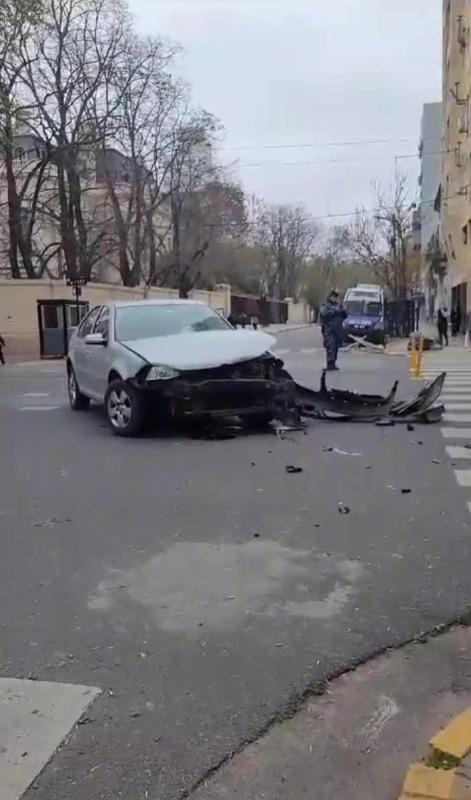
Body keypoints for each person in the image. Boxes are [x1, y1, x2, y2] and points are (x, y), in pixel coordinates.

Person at [319, 290, 347, 371]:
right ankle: (329, 363)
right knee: (330, 346)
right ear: (330, 297)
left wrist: (341, 311)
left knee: (336, 347)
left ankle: (333, 363)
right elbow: (324, 314)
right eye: (333, 297)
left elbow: (345, 315)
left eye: (336, 297)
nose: (335, 299)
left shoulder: (339, 305)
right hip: (329, 329)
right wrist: (336, 311)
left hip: (338, 329)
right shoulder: (325, 305)